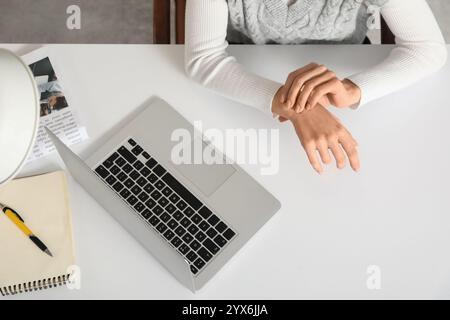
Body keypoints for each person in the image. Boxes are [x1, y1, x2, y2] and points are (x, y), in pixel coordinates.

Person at [184, 0, 447, 173]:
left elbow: (427, 49)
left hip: (344, 71)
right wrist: (294, 105)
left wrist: (353, 89)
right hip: (242, 77)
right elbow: (203, 58)